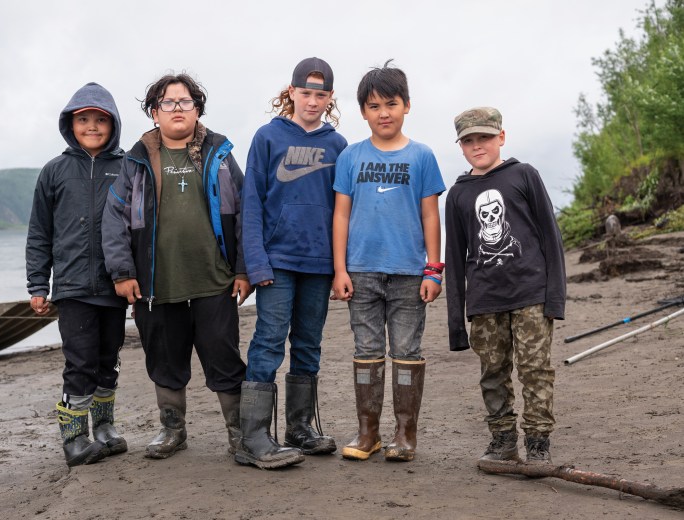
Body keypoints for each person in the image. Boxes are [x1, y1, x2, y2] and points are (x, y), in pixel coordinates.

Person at [102, 72, 250, 460]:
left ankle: (238, 433)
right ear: (155, 113)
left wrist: (243, 269)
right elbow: (114, 217)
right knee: (164, 359)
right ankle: (173, 430)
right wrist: (123, 272)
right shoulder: (136, 160)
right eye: (168, 103)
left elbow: (246, 213)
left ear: (197, 109)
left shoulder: (219, 152)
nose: (178, 108)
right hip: (155, 284)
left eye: (186, 102)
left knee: (224, 356)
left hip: (215, 280)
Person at [235, 57, 348, 470]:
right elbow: (251, 206)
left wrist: (341, 268)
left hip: (319, 264)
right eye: (306, 93)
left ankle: (300, 428)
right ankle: (253, 438)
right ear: (291, 92)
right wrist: (256, 264)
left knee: (308, 345)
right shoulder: (267, 137)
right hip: (276, 262)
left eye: (321, 95)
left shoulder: (338, 146)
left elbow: (343, 212)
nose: (313, 101)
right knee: (268, 342)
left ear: (330, 97)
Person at [332, 61, 445, 462]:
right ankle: (368, 433)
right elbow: (341, 214)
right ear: (363, 111)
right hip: (361, 271)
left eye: (391, 104)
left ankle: (405, 434)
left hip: (409, 274)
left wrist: (434, 268)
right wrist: (340, 269)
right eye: (374, 105)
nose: (384, 113)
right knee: (366, 349)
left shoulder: (423, 156)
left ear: (407, 106)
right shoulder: (350, 157)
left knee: (407, 352)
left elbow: (431, 215)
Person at [444, 107, 566, 464]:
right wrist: (456, 323)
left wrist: (555, 299)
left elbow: (550, 238)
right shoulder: (457, 194)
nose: (477, 146)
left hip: (531, 294)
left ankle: (539, 442)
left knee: (535, 369)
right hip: (484, 300)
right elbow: (454, 257)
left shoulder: (524, 175)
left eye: (484, 137)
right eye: (468, 140)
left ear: (501, 136)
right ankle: (502, 440)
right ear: (461, 146)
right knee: (493, 373)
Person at [26, 82, 128, 467]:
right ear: (71, 124)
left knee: (108, 359)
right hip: (71, 288)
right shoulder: (55, 171)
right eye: (83, 119)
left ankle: (104, 428)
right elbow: (39, 233)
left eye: (100, 120)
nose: (92, 126)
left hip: (115, 286)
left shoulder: (125, 167)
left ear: (113, 124)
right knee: (80, 362)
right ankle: (74, 439)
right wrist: (38, 284)